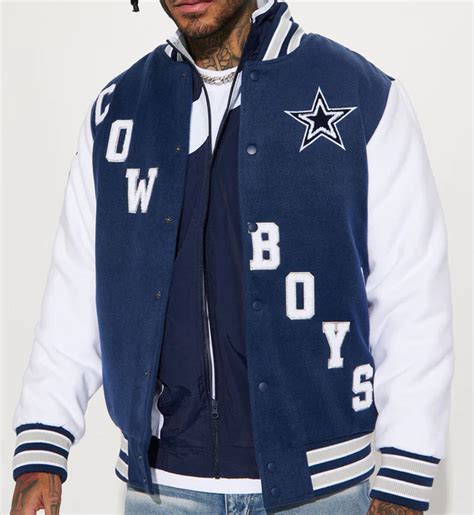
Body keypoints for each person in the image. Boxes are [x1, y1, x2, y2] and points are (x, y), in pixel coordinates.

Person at [10, 0, 455, 513]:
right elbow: (77, 289)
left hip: (322, 489)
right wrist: (43, 444)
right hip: (163, 490)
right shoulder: (119, 112)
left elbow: (410, 295)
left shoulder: (360, 96)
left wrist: (404, 474)